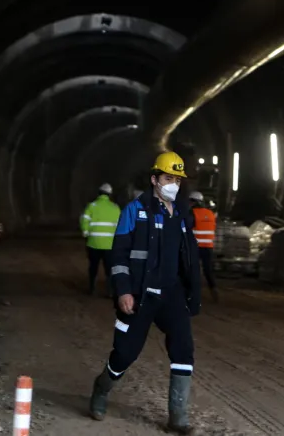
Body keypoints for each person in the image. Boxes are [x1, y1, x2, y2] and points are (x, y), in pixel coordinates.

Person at [88, 152, 201, 434]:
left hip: (171, 294)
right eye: (167, 178)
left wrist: (193, 293)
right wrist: (123, 291)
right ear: (154, 179)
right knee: (125, 353)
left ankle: (178, 416)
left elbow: (190, 258)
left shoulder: (182, 215)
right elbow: (118, 255)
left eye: (177, 179)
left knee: (183, 349)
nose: (173, 184)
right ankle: (101, 389)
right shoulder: (134, 211)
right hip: (139, 295)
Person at [80, 183, 121, 296]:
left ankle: (92, 288)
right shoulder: (115, 208)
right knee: (110, 269)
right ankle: (110, 291)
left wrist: (86, 232)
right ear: (109, 194)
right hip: (109, 245)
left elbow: (84, 221)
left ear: (99, 193)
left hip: (93, 243)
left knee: (93, 266)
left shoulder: (91, 206)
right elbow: (120, 225)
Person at [189, 191, 219, 303]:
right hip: (208, 247)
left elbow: (187, 227)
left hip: (196, 246)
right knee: (208, 270)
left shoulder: (192, 213)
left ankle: (193, 294)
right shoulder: (211, 214)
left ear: (193, 202)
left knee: (193, 270)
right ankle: (214, 290)